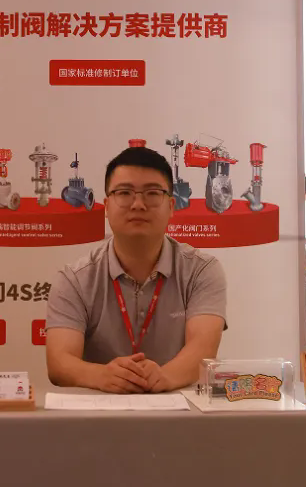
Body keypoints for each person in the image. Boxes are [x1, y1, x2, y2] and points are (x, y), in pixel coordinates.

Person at [44, 145, 227, 394]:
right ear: (106, 206)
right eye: (124, 193)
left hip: (181, 412)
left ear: (171, 206)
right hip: (99, 413)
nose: (138, 204)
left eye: (152, 193)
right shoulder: (75, 279)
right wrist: (102, 375)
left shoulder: (201, 270)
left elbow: (203, 349)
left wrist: (164, 376)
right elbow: (59, 362)